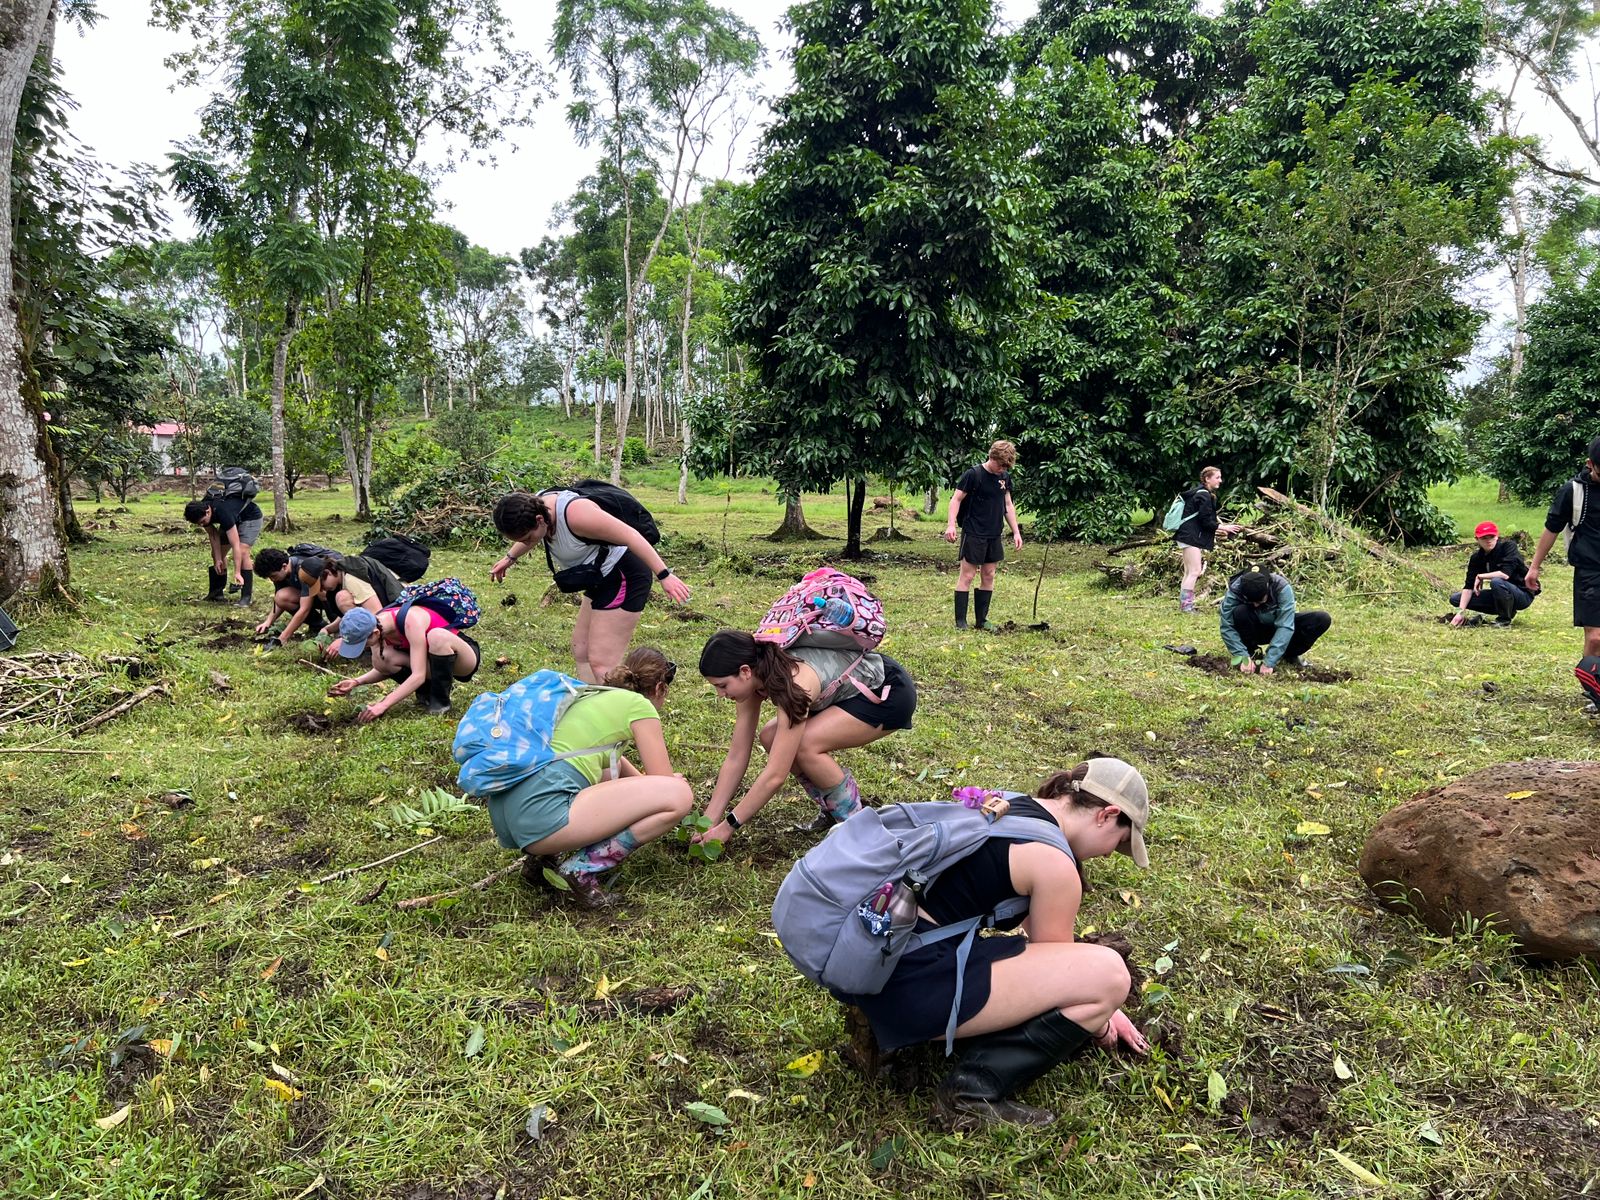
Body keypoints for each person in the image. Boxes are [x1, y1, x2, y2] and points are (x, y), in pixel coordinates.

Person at [840, 760, 1152, 1126]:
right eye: (1118, 842)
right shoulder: (1055, 865)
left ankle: (881, 1022)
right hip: (909, 985)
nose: (1107, 854)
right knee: (1111, 975)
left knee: (1074, 969)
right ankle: (969, 1093)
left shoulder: (1009, 806)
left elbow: (1040, 941)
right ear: (1107, 814)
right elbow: (1061, 970)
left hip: (877, 957)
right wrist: (1102, 1020)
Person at [485, 648, 692, 910]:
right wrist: (672, 782)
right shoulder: (641, 706)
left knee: (597, 773)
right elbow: (664, 782)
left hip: (511, 816)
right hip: (540, 818)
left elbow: (618, 769)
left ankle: (542, 860)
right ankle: (581, 870)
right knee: (679, 795)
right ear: (660, 687)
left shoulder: (590, 696)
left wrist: (650, 785)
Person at [695, 628, 917, 839]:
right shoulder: (751, 681)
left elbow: (775, 775)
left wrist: (728, 826)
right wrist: (708, 820)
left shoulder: (794, 684)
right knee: (770, 736)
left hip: (886, 691)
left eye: (722, 685)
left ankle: (858, 828)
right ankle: (832, 811)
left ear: (745, 671)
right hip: (844, 692)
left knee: (805, 745)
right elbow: (736, 756)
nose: (720, 694)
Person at [489, 489, 692, 683]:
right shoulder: (537, 505)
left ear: (539, 520)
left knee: (603, 663)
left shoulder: (577, 514)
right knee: (582, 650)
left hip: (623, 575)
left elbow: (631, 536)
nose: (527, 543)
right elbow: (529, 537)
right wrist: (510, 557)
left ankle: (623, 710)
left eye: (527, 539)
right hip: (598, 576)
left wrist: (664, 575)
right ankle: (593, 707)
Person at [327, 601, 480, 719]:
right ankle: (426, 693)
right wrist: (356, 681)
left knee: (436, 636)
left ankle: (440, 702)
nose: (364, 648)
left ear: (374, 633)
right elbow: (383, 668)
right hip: (433, 662)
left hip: (463, 659)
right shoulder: (377, 628)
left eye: (363, 643)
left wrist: (383, 705)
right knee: (384, 657)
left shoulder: (410, 620)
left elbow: (418, 675)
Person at [1525, 435, 1600, 663]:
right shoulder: (1574, 491)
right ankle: (1594, 693)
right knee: (1596, 638)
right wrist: (1534, 567)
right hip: (1590, 570)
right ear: (1590, 464)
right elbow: (1552, 528)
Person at [945, 440, 1023, 630]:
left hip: (994, 533)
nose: (1002, 469)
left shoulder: (1004, 477)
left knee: (989, 574)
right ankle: (961, 622)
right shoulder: (973, 474)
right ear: (991, 457)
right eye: (1001, 464)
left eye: (1006, 466)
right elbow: (955, 499)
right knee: (968, 575)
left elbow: (1008, 505)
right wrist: (951, 525)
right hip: (973, 532)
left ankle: (982, 620)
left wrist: (1016, 531)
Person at [1219, 568, 1331, 674]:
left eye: (1260, 601)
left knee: (1321, 619)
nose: (1256, 605)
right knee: (1240, 611)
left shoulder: (1282, 587)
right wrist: (1241, 656)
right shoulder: (1236, 589)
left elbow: (1285, 626)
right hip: (1254, 628)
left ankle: (1290, 654)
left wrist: (1269, 662)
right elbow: (1226, 626)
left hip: (1278, 625)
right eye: (1252, 602)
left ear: (1267, 587)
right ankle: (1252, 653)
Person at [1175, 466, 1242, 613]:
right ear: (1207, 479)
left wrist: (1221, 527)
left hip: (1186, 535)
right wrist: (1225, 528)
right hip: (1190, 536)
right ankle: (1187, 607)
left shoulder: (1198, 493)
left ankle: (1185, 606)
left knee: (1189, 572)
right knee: (1195, 571)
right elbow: (1206, 521)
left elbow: (1203, 520)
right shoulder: (1204, 495)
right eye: (1217, 477)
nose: (1220, 480)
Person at [1449, 521, 1535, 628]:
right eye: (1484, 538)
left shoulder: (1508, 547)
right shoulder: (1477, 558)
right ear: (1477, 539)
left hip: (1522, 594)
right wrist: (1460, 613)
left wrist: (1481, 576)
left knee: (1497, 581)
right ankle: (1507, 610)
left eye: (1491, 537)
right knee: (1455, 599)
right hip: (1501, 593)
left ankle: (1504, 620)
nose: (1488, 540)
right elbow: (1469, 587)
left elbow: (1505, 575)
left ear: (1497, 537)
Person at [183, 493, 262, 607]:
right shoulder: (200, 509)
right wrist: (218, 558)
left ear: (208, 512)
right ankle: (216, 594)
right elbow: (213, 535)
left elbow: (235, 545)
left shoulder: (223, 512)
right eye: (199, 523)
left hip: (250, 518)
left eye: (203, 522)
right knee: (216, 553)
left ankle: (246, 597)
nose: (202, 525)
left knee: (243, 551)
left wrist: (237, 572)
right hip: (231, 519)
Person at [318, 555, 400, 654]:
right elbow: (353, 617)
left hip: (397, 617)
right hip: (390, 612)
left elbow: (377, 615)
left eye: (322, 585)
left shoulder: (351, 579)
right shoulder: (345, 572)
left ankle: (377, 648)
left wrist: (346, 640)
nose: (323, 590)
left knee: (342, 597)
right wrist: (327, 629)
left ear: (328, 573)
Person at [251, 549, 330, 650]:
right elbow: (279, 600)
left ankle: (333, 627)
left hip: (328, 597)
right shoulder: (281, 572)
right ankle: (318, 625)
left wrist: (282, 638)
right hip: (308, 596)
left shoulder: (304, 570)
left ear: (284, 566)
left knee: (320, 594)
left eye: (273, 576)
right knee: (281, 597)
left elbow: (304, 609)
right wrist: (268, 622)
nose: (272, 580)